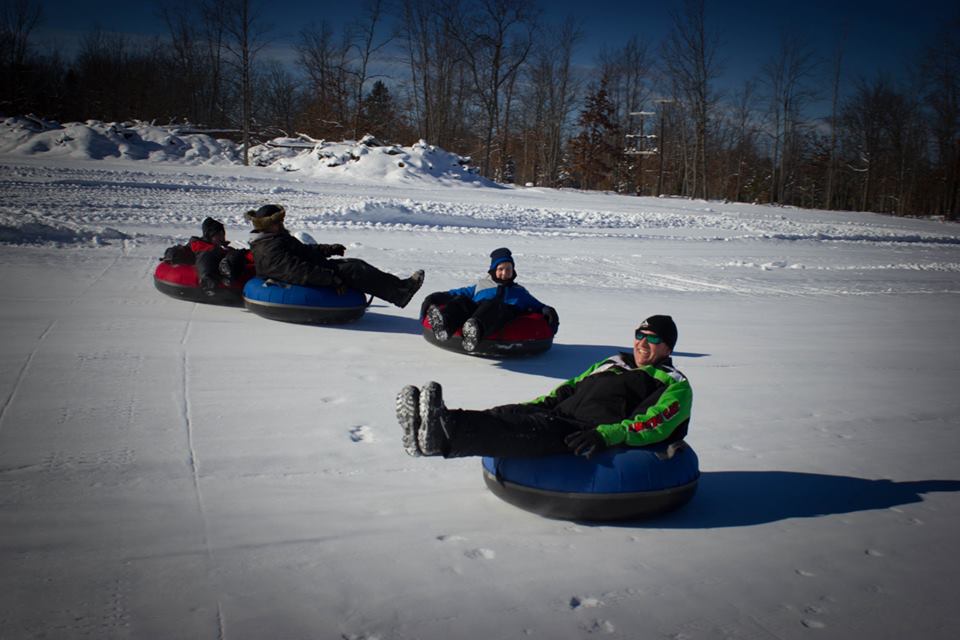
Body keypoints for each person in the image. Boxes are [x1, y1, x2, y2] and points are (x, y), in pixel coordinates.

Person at [396, 315, 692, 459]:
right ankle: (431, 423)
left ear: (668, 347)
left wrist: (605, 434)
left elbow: (655, 423)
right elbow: (568, 389)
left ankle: (441, 435)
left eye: (653, 339)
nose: (642, 343)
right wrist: (532, 406)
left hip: (584, 431)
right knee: (507, 413)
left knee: (520, 429)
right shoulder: (613, 362)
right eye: (640, 335)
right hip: (561, 414)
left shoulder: (673, 383)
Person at [245, 204, 425, 308]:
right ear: (267, 225)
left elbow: (303, 251)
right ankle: (401, 293)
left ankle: (400, 288)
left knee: (354, 264)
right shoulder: (268, 247)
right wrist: (331, 279)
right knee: (355, 269)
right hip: (307, 277)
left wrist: (328, 249)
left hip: (316, 268)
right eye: (278, 222)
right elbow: (296, 270)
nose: (282, 225)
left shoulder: (275, 238)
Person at [419, 247, 559, 352]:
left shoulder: (519, 292)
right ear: (493, 270)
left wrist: (548, 310)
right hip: (477, 309)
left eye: (508, 269)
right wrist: (436, 297)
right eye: (501, 269)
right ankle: (444, 326)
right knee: (462, 301)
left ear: (513, 271)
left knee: (494, 305)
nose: (505, 273)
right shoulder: (481, 285)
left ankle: (475, 331)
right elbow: (459, 292)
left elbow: (537, 305)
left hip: (501, 313)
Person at [161, 217, 251, 295]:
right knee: (211, 255)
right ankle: (213, 280)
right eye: (218, 235)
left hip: (225, 263)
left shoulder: (219, 247)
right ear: (209, 236)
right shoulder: (202, 247)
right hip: (210, 277)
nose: (222, 237)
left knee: (239, 255)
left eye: (222, 234)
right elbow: (204, 261)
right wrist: (209, 279)